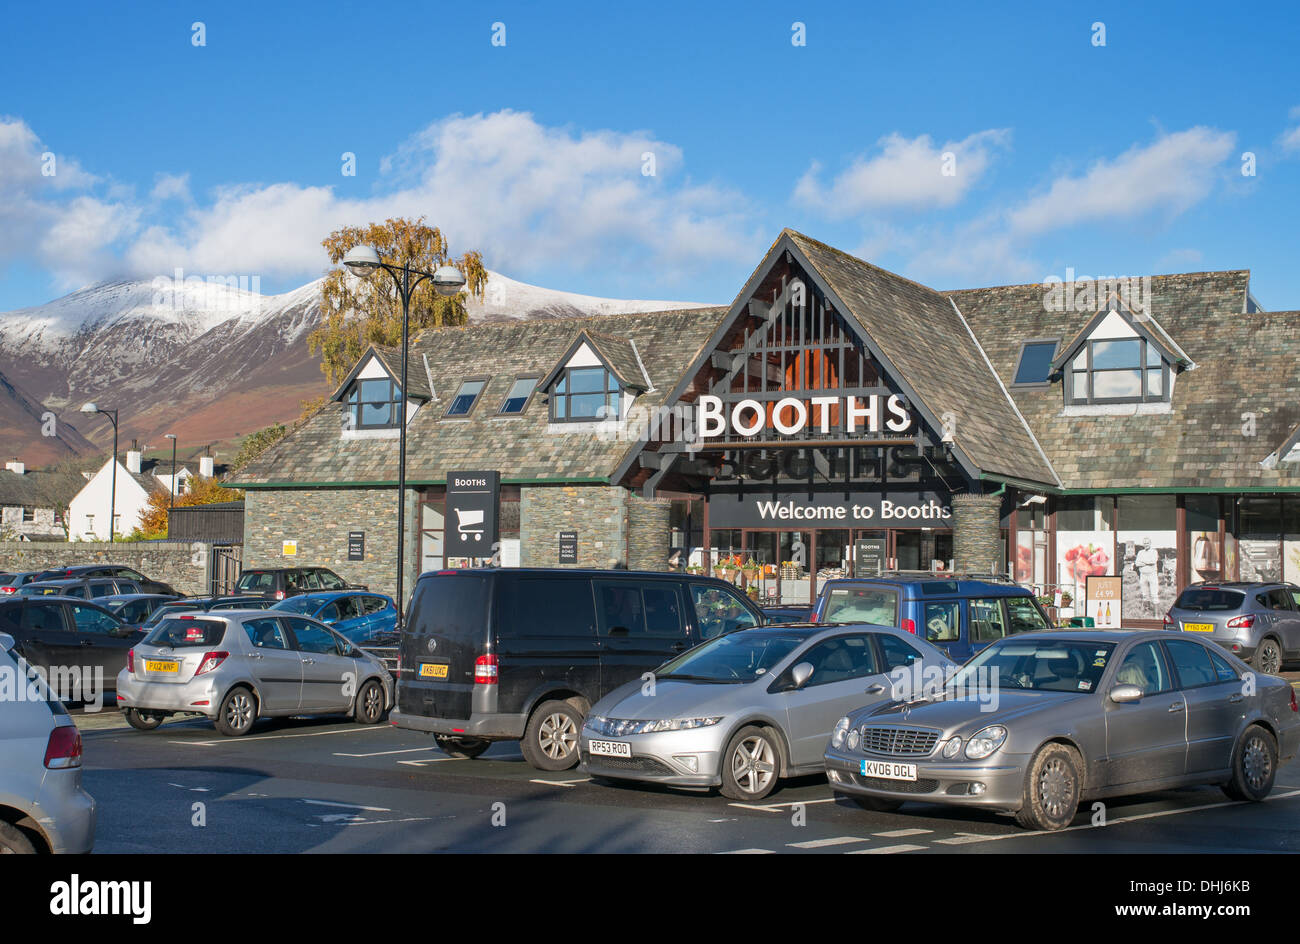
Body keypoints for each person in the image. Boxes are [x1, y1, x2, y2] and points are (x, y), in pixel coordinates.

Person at [1135, 538, 1160, 608]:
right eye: (1144, 543)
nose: (1146, 545)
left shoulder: (1154, 551)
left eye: (1147, 543)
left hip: (1152, 574)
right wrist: (1147, 562)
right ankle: (1147, 610)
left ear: (1150, 543)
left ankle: (1156, 615)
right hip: (1143, 575)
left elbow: (1153, 561)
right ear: (1143, 544)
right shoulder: (1140, 552)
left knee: (1154, 594)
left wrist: (1142, 562)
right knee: (1145, 594)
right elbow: (1137, 563)